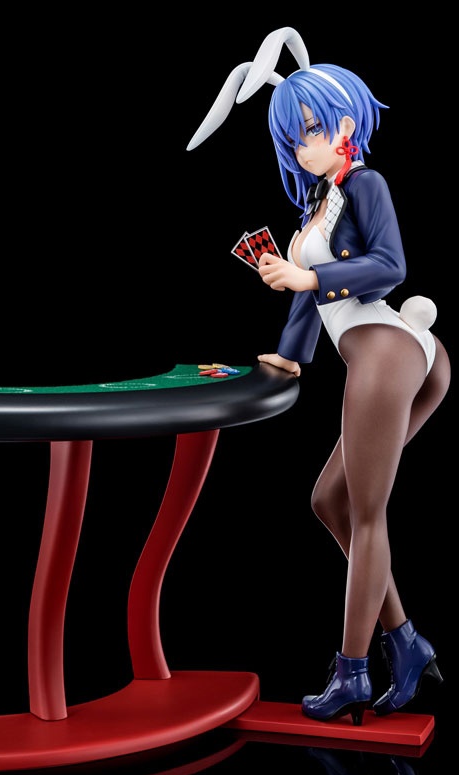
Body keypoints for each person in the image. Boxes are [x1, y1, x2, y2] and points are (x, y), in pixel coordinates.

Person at [187, 27, 451, 725]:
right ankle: (406, 644)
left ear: (344, 123)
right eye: (292, 137)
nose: (303, 148)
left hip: (389, 348)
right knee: (329, 502)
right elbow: (310, 297)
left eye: (310, 130)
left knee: (366, 514)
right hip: (372, 351)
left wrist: (309, 275)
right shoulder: (317, 202)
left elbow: (390, 266)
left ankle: (353, 672)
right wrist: (289, 352)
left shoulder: (366, 184)